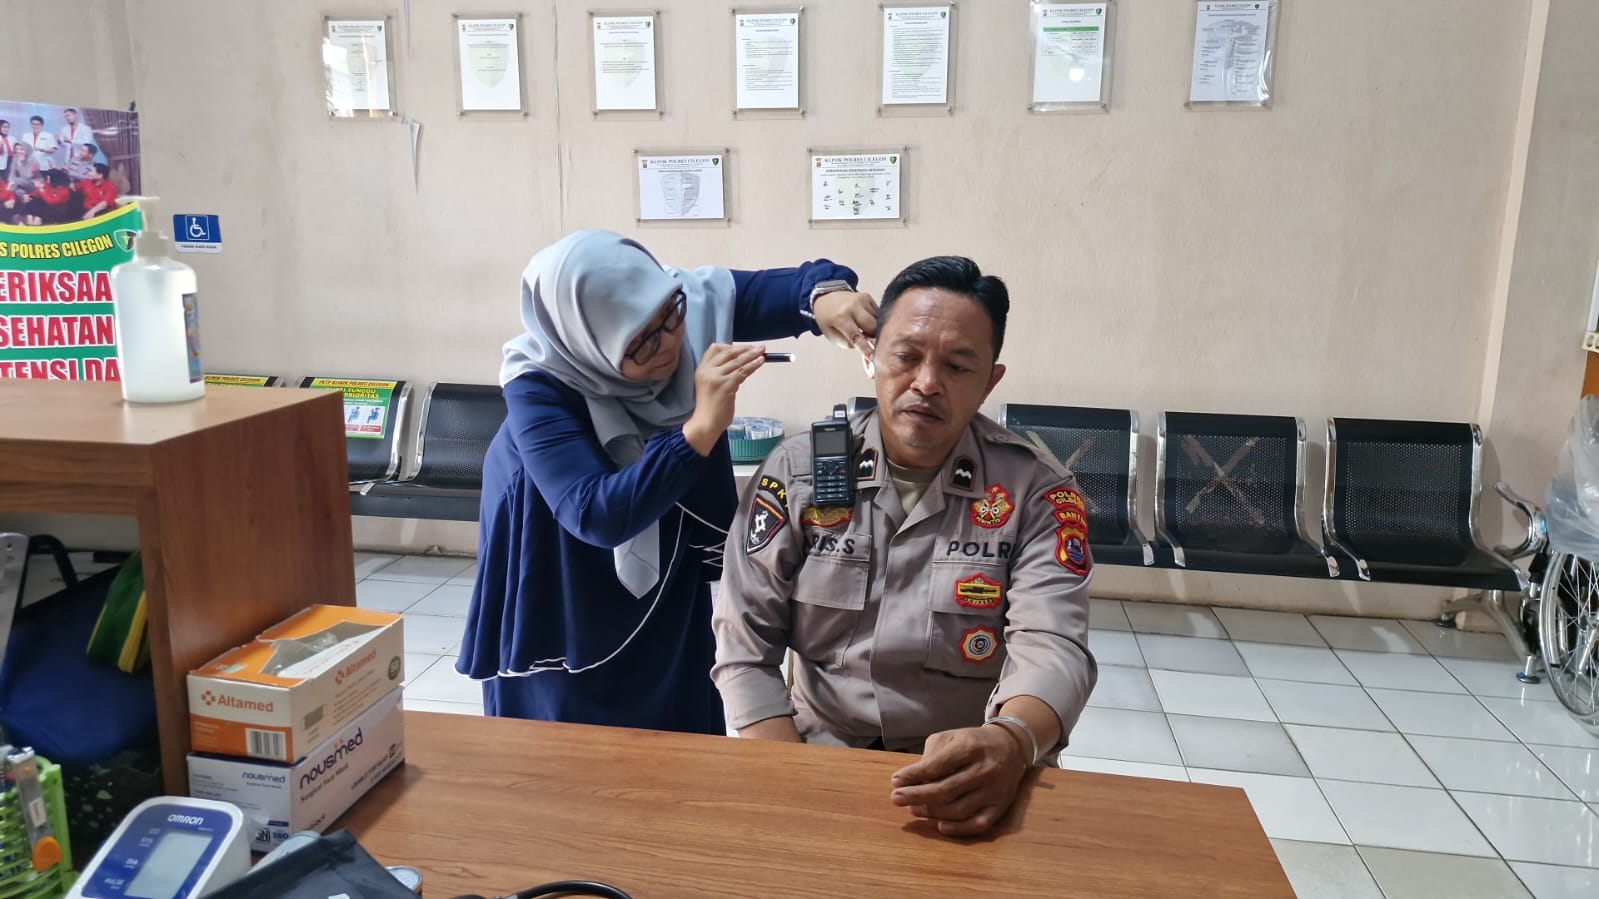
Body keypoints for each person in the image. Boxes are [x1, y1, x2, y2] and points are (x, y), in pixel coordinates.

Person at [712, 256, 1096, 836]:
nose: (927, 383)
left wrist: (1012, 741)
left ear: (990, 381)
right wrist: (789, 775)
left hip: (971, 763)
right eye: (907, 356)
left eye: (958, 366)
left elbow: (1054, 644)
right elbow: (743, 645)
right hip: (816, 751)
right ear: (871, 356)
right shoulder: (799, 472)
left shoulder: (1035, 491)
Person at [457, 230, 879, 735]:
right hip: (564, 550)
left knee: (671, 677)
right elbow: (594, 514)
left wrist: (828, 298)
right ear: (588, 342)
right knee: (570, 717)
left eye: (671, 316)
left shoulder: (676, 304)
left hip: (665, 523)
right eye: (640, 343)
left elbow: (788, 291)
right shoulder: (538, 384)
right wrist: (699, 429)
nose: (672, 342)